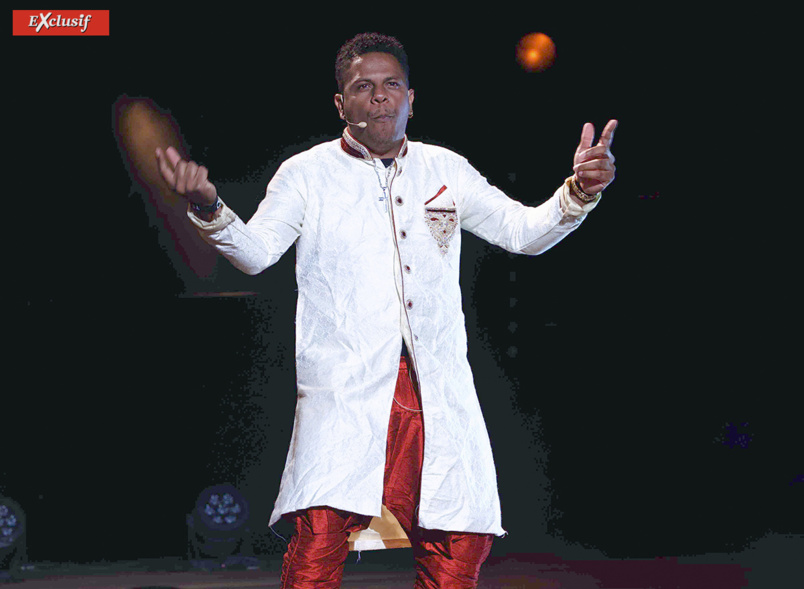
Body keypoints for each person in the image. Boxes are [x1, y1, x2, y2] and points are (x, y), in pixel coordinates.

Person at [155, 32, 616, 589]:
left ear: (410, 99)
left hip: (435, 390)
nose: (379, 96)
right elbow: (255, 254)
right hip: (346, 391)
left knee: (456, 544)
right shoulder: (307, 174)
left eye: (391, 84)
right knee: (319, 541)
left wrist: (578, 192)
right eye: (363, 86)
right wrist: (209, 206)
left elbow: (522, 232)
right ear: (340, 103)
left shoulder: (445, 169)